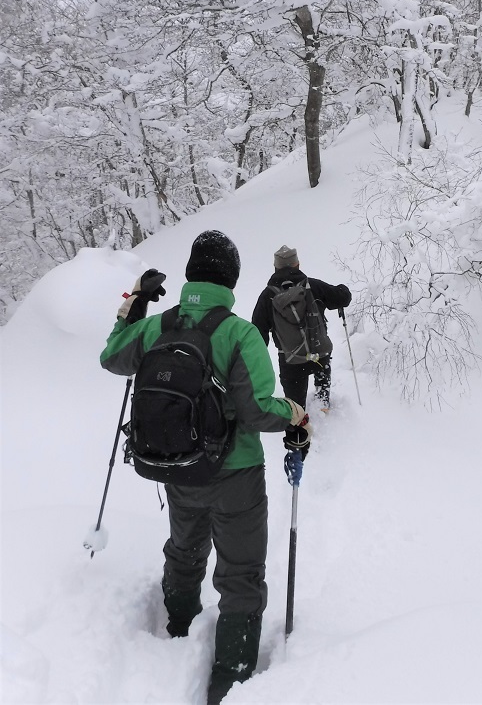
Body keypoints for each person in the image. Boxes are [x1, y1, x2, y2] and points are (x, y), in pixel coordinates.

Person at [100, 230, 310, 705]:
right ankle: (230, 683)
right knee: (240, 576)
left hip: (175, 467)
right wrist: (295, 414)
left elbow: (111, 356)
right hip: (235, 475)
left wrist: (133, 302)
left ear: (191, 275)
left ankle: (177, 634)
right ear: (231, 280)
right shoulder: (240, 333)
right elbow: (257, 411)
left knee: (184, 551)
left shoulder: (159, 327)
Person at [251, 244, 352, 410]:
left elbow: (258, 332)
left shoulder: (267, 296)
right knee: (322, 394)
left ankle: (299, 428)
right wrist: (343, 289)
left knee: (295, 408)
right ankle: (323, 409)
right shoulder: (313, 286)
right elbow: (343, 298)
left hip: (290, 360)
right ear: (297, 264)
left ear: (275, 267)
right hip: (319, 353)